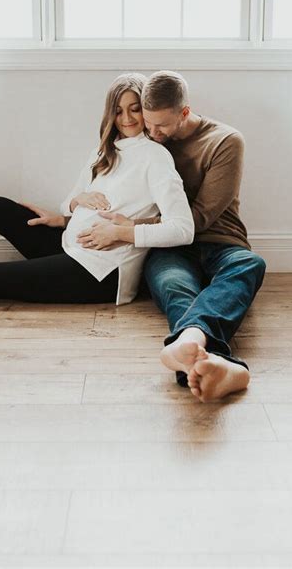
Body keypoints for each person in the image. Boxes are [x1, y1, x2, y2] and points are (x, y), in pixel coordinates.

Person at [0, 73, 194, 309]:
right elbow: (68, 203)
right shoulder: (102, 152)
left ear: (146, 110)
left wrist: (120, 233)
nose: (127, 119)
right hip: (69, 245)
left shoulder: (155, 157)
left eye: (134, 110)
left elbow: (182, 229)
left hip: (100, 271)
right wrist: (75, 205)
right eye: (118, 111)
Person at [86, 71, 267, 402]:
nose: (152, 133)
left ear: (184, 112)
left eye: (161, 127)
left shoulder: (225, 141)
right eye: (149, 124)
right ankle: (213, 362)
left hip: (221, 242)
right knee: (173, 286)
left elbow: (198, 218)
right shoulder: (150, 146)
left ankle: (189, 343)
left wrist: (129, 228)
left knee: (249, 265)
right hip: (169, 247)